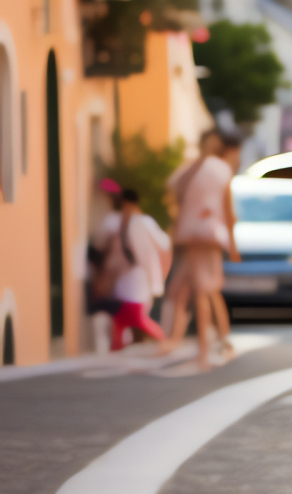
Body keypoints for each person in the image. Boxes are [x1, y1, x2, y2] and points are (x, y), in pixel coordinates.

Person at [167, 128, 241, 369]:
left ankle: (203, 349)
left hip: (200, 238)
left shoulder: (200, 170)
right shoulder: (211, 170)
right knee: (206, 290)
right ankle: (220, 339)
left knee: (200, 290)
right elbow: (227, 211)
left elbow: (227, 210)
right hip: (201, 237)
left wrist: (232, 244)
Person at [99, 187, 171, 350]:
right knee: (122, 316)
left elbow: (164, 245)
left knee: (134, 315)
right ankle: (118, 344)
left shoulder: (143, 222)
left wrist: (161, 274)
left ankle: (161, 340)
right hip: (124, 277)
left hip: (139, 276)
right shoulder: (119, 222)